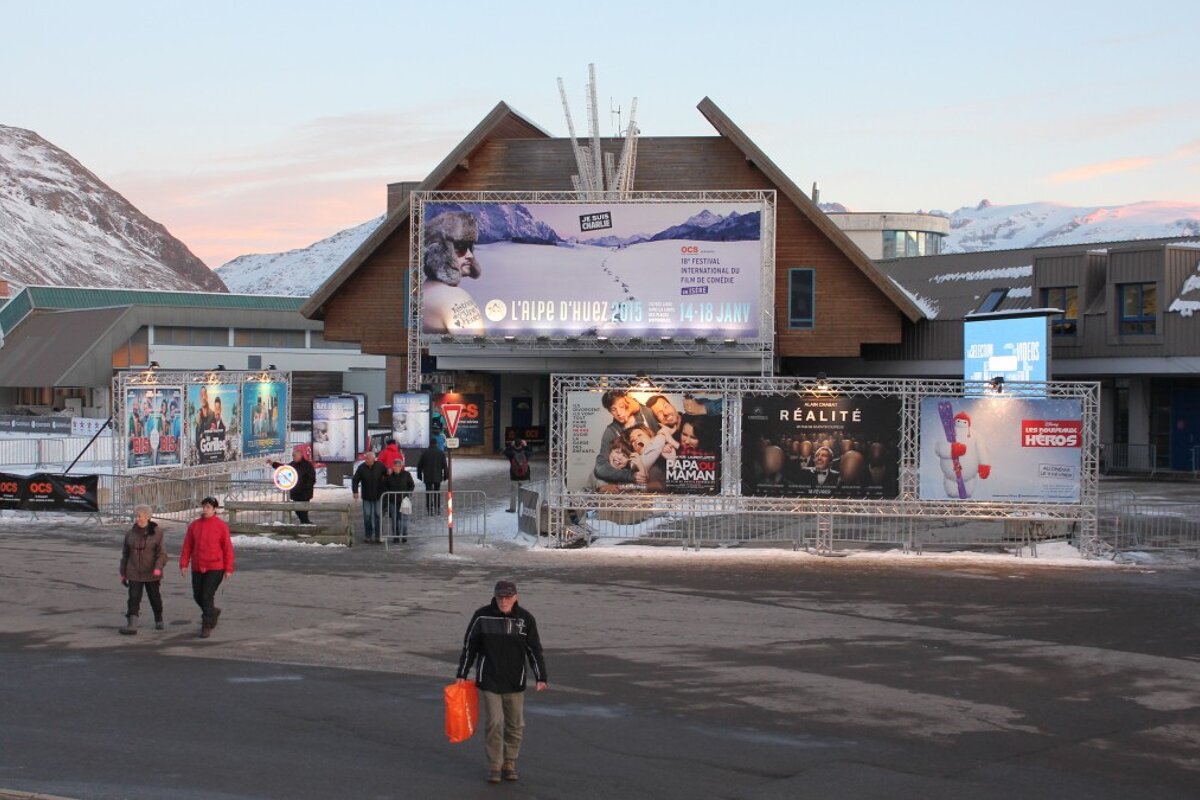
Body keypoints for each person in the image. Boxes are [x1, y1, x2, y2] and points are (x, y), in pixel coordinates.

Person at [456, 580, 548, 784]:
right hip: (490, 679)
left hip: (515, 680)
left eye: (508, 597)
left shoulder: (525, 619)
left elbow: (534, 650)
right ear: (495, 597)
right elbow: (470, 647)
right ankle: (495, 765)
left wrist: (541, 676)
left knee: (515, 724)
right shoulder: (482, 616)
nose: (504, 601)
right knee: (495, 722)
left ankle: (509, 762)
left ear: (516, 597)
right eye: (500, 597)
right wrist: (462, 673)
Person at [179, 497, 234, 639]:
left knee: (206, 595)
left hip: (215, 566)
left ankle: (206, 625)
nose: (205, 509)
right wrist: (184, 564)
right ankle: (212, 612)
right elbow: (187, 546)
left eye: (208, 507)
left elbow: (227, 548)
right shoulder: (194, 526)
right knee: (198, 596)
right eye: (203, 507)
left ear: (215, 509)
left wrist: (228, 568)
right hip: (198, 566)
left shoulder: (221, 526)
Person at [421, 210, 485, 334]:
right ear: (441, 253)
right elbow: (475, 348)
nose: (470, 255)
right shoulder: (456, 298)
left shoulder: (422, 292)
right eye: (460, 248)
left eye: (470, 247)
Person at [118, 504, 167, 635]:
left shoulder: (157, 533)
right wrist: (123, 573)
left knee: (154, 597)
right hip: (134, 572)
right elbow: (125, 555)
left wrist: (158, 567)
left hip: (151, 573)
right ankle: (132, 624)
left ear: (148, 517)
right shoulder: (130, 534)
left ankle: (158, 618)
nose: (138, 518)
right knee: (133, 598)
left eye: (140, 516)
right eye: (137, 516)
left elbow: (162, 554)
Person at [269, 445, 317, 524]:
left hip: (304, 493)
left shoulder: (307, 465)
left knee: (303, 511)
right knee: (298, 510)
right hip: (296, 493)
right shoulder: (293, 464)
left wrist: (305, 487)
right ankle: (306, 524)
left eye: (295, 456)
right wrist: (273, 464)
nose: (293, 457)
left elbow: (312, 479)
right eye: (292, 456)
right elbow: (284, 467)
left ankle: (306, 524)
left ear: (300, 455)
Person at [352, 450, 388, 543]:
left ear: (373, 459)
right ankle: (368, 535)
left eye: (367, 458)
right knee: (367, 515)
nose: (366, 460)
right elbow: (355, 480)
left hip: (378, 495)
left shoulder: (380, 466)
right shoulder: (361, 467)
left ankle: (378, 535)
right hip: (366, 496)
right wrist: (355, 491)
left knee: (378, 515)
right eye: (365, 458)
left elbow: (387, 475)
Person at [382, 460, 415, 544]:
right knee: (394, 520)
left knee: (404, 520)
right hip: (393, 501)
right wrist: (388, 495)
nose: (395, 468)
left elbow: (411, 485)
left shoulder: (406, 475)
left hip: (404, 501)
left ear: (401, 467)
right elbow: (384, 486)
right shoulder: (389, 476)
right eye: (394, 466)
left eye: (397, 466)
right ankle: (396, 536)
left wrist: (408, 493)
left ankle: (404, 535)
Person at [416, 442, 449, 515]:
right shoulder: (441, 453)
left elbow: (419, 465)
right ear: (436, 444)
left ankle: (429, 509)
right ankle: (437, 508)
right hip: (437, 476)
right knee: (437, 492)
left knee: (428, 492)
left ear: (429, 444)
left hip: (427, 477)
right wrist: (445, 476)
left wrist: (419, 476)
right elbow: (445, 466)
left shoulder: (425, 453)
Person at [503, 439, 530, 513]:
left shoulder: (511, 453)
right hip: (525, 476)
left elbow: (505, 452)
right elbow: (531, 452)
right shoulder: (526, 453)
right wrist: (526, 445)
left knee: (513, 493)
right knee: (525, 493)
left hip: (514, 476)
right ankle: (525, 508)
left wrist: (511, 446)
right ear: (521, 444)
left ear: (514, 444)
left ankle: (512, 508)